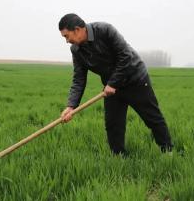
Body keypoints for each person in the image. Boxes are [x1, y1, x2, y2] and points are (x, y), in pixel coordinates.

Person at [59, 13, 173, 155]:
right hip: (111, 89)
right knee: (113, 124)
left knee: (152, 118)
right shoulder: (76, 50)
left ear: (77, 30)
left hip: (135, 80)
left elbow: (125, 56)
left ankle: (168, 152)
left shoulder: (105, 30)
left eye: (66, 36)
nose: (67, 41)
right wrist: (71, 106)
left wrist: (113, 83)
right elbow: (79, 78)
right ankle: (119, 158)